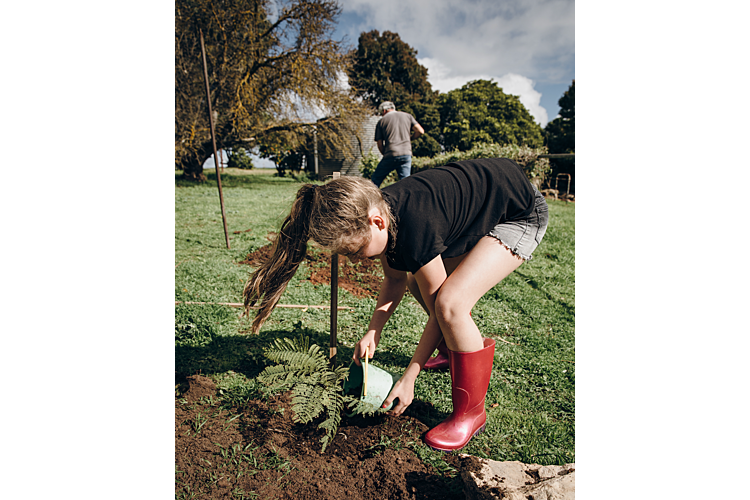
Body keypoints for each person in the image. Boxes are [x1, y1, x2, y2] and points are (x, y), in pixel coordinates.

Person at [243, 158, 549, 452]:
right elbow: (395, 281)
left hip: (518, 213)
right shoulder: (382, 215)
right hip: (484, 203)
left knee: (451, 305)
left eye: (357, 250)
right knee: (420, 283)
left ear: (376, 222)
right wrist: (372, 332)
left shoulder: (414, 228)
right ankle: (451, 352)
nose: (356, 258)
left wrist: (409, 377)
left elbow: (439, 307)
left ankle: (470, 415)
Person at [370, 101, 424, 187]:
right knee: (406, 183)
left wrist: (385, 154)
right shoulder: (408, 116)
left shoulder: (381, 121)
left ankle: (368, 198)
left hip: (391, 153)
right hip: (406, 154)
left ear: (384, 111)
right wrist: (410, 138)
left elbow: (379, 143)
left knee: (374, 182)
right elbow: (420, 131)